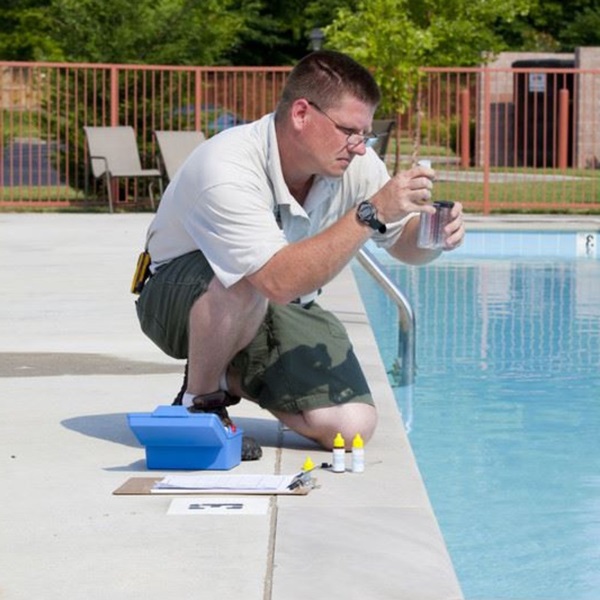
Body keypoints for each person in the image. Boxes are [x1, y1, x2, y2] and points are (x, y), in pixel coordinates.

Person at [135, 50, 465, 459]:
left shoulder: (354, 164)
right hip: (178, 301)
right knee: (246, 278)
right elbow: (276, 279)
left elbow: (402, 244)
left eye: (366, 134)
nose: (360, 147)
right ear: (301, 114)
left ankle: (233, 372)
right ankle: (201, 400)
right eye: (350, 131)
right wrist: (371, 212)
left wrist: (434, 238)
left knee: (351, 429)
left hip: (275, 302)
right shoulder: (227, 166)